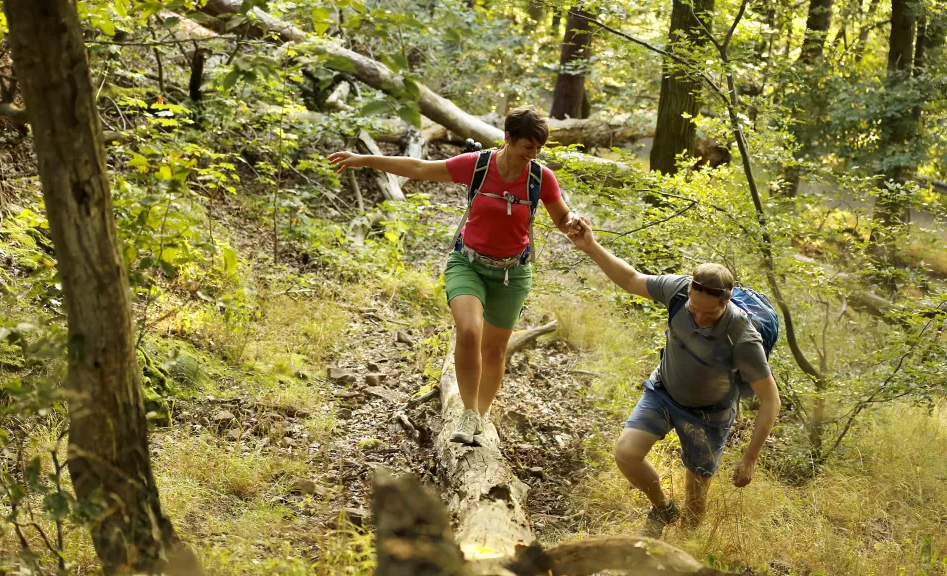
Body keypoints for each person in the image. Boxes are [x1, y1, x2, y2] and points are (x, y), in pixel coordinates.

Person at [328, 106, 582, 445]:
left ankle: (479, 413)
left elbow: (562, 218)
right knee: (468, 330)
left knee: (494, 350)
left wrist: (575, 223)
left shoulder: (540, 177)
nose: (532, 155)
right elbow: (419, 168)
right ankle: (466, 412)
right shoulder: (477, 166)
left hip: (513, 274)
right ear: (508, 137)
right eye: (526, 147)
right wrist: (365, 159)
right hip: (468, 263)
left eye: (538, 149)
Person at [567, 218, 780, 538]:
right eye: (694, 309)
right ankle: (663, 508)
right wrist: (591, 246)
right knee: (626, 454)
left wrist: (750, 459)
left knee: (695, 511)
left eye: (709, 314)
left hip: (710, 415)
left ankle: (680, 551)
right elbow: (630, 279)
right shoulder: (679, 291)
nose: (699, 318)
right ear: (689, 291)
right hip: (664, 392)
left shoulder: (742, 336)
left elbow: (770, 400)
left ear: (727, 300)